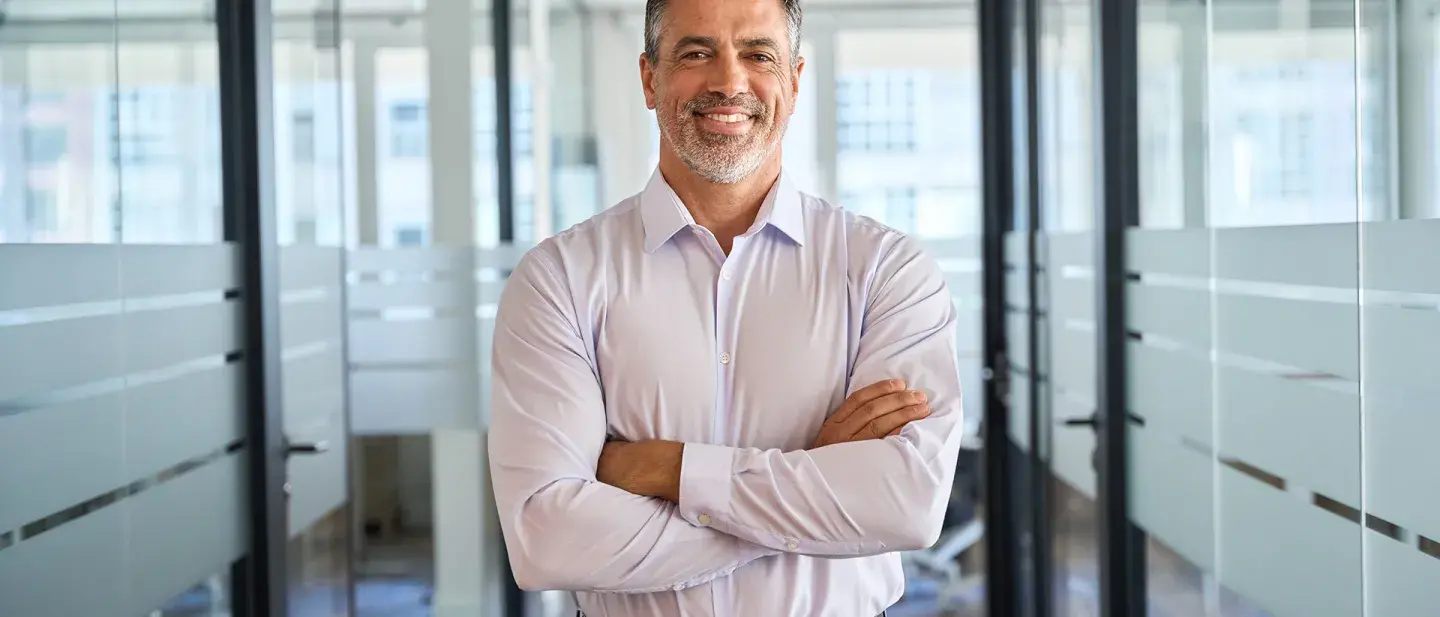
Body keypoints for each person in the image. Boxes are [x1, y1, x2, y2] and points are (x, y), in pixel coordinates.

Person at [487, 0, 964, 614]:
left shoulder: (885, 271)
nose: (729, 81)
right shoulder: (559, 279)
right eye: (696, 53)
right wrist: (811, 493)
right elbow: (547, 540)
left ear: (794, 80)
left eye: (758, 55)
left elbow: (907, 505)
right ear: (649, 79)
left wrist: (671, 470)